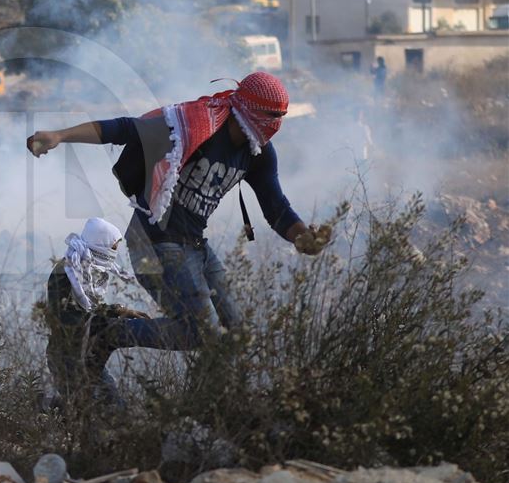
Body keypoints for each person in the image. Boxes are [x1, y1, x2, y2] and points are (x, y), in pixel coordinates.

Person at [28, 72, 331, 348]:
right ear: (248, 109)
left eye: (280, 117)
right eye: (271, 116)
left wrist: (303, 237)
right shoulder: (190, 125)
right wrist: (60, 136)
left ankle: (207, 405)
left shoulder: (258, 152)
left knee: (235, 334)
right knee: (202, 333)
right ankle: (107, 333)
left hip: (194, 244)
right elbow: (125, 128)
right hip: (154, 241)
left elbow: (276, 206)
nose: (275, 124)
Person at [45, 217, 185, 409]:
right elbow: (72, 321)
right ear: (99, 243)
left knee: (110, 407)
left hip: (85, 353)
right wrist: (112, 325)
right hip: (68, 358)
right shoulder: (67, 272)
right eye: (113, 248)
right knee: (87, 411)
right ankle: (43, 407)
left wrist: (120, 311)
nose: (114, 254)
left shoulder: (84, 271)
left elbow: (89, 310)